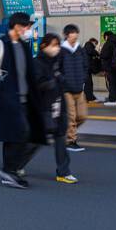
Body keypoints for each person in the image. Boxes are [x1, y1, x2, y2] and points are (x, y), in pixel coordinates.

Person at [0, 12, 47, 189]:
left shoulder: (24, 46)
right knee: (18, 134)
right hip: (7, 99)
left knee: (21, 135)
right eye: (26, 26)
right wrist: (0, 88)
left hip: (25, 99)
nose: (28, 30)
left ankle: (11, 169)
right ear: (17, 26)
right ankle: (10, 170)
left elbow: (29, 73)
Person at [33, 33, 78, 184]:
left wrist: (61, 81)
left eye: (58, 45)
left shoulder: (58, 61)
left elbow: (63, 78)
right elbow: (35, 85)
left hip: (59, 106)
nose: (56, 48)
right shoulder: (37, 63)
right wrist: (49, 83)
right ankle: (15, 165)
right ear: (43, 46)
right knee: (36, 141)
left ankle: (63, 172)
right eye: (53, 45)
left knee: (60, 138)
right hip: (44, 107)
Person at [58, 25, 89, 153]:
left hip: (79, 88)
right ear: (66, 35)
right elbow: (57, 69)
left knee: (82, 116)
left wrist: (83, 79)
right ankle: (71, 140)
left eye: (76, 32)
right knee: (71, 116)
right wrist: (63, 82)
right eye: (72, 33)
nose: (75, 35)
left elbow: (86, 66)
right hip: (66, 90)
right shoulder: (61, 50)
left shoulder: (80, 50)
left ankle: (65, 130)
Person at [99, 30, 116, 105]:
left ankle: (112, 100)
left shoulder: (108, 44)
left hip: (110, 66)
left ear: (106, 36)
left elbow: (103, 55)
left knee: (112, 83)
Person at [83, 37, 101, 102]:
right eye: (95, 43)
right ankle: (90, 98)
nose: (95, 45)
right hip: (86, 68)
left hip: (86, 68)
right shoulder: (88, 45)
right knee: (89, 84)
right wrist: (98, 53)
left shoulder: (87, 46)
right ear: (93, 41)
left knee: (88, 84)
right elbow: (92, 52)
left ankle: (88, 97)